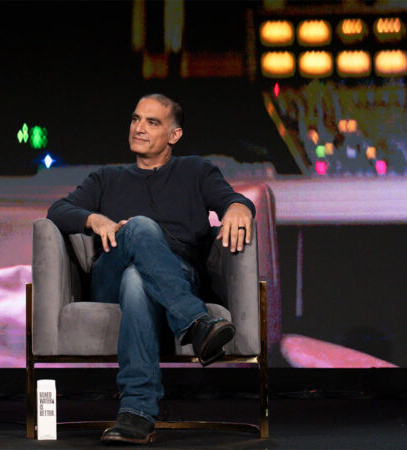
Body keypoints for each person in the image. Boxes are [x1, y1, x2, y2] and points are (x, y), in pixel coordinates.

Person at [47, 93, 256, 445]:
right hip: (109, 275)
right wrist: (95, 219)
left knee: (137, 281)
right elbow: (58, 210)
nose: (138, 128)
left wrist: (239, 206)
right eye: (135, 120)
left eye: (152, 122)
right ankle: (196, 322)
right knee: (139, 231)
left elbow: (230, 199)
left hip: (178, 273)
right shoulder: (106, 179)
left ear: (174, 135)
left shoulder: (196, 171)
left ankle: (137, 414)